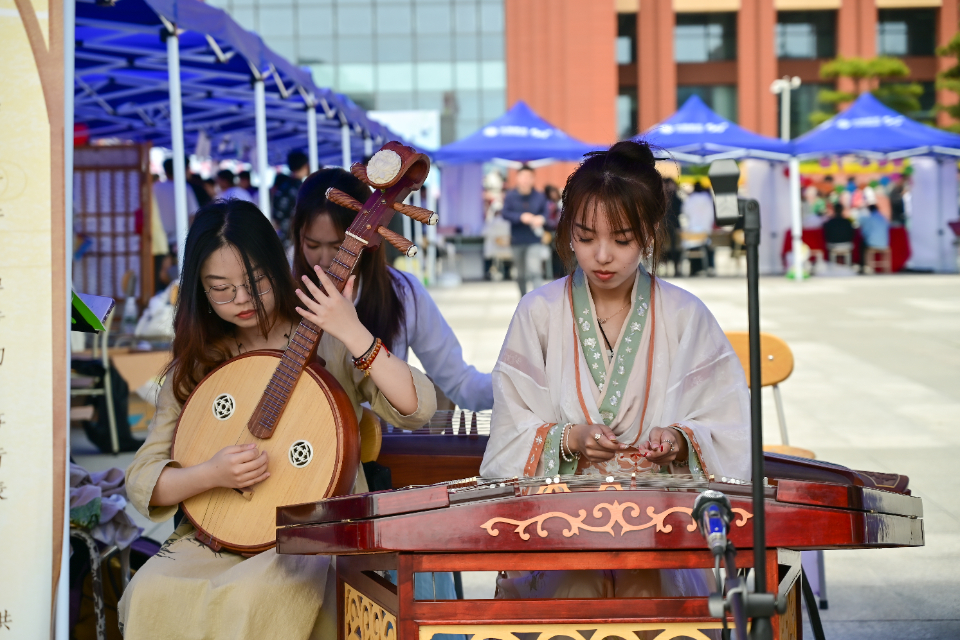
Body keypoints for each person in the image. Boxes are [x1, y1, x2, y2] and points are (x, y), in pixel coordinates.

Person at [118, 199, 436, 639]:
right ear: (199, 290)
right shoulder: (198, 362)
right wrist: (211, 473)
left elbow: (417, 407)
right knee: (150, 591)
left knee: (255, 600)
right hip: (217, 539)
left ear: (276, 266)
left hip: (310, 539)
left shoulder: (324, 337)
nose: (242, 299)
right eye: (221, 289)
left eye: (255, 282)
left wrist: (352, 329)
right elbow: (143, 478)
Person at [480, 140, 750, 600]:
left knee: (647, 592)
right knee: (576, 591)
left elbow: (730, 425)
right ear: (567, 232)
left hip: (660, 523)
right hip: (559, 524)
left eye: (622, 240)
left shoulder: (685, 314)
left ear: (649, 233)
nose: (602, 255)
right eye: (586, 238)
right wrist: (568, 439)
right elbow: (509, 427)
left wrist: (681, 439)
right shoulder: (539, 311)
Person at [292, 168, 493, 412]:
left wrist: (515, 389)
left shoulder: (403, 293)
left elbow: (459, 381)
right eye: (312, 244)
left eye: (338, 246)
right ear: (298, 236)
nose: (324, 259)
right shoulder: (281, 291)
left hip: (388, 444)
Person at [501, 165, 549, 296]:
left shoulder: (539, 196)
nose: (526, 180)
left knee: (535, 270)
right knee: (521, 274)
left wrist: (541, 219)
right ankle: (523, 300)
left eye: (529, 177)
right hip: (517, 239)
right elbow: (505, 213)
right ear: (517, 178)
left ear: (533, 179)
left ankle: (537, 301)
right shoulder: (511, 196)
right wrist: (520, 217)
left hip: (534, 239)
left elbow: (546, 214)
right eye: (523, 177)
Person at [153, 157, 199, 250]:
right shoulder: (184, 188)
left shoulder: (154, 187)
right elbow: (192, 216)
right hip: (179, 239)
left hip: (157, 239)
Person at [273, 150, 311, 247]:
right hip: (296, 240)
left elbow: (276, 216)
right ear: (305, 166)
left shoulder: (282, 186)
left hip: (282, 238)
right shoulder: (303, 189)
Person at [681, 181, 715, 276]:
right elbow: (712, 215)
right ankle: (709, 267)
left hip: (691, 234)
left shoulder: (690, 199)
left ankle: (694, 269)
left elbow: (685, 212)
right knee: (707, 247)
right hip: (704, 233)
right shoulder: (708, 199)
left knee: (693, 249)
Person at [858, 204, 890, 272]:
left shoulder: (870, 218)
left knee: (862, 245)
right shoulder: (883, 218)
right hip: (884, 244)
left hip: (873, 244)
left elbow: (864, 232)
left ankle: (864, 267)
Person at [663, 177, 683, 276]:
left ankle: (675, 267)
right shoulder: (661, 197)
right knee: (665, 247)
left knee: (675, 247)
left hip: (672, 225)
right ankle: (667, 267)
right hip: (667, 225)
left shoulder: (675, 198)